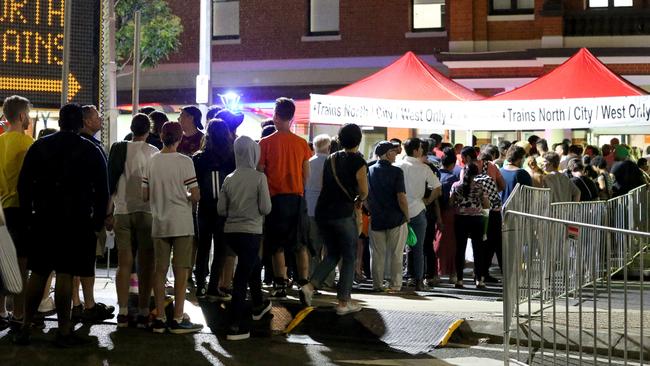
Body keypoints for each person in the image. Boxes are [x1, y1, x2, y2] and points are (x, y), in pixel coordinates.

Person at [16, 103, 109, 346]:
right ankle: (64, 329)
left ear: (60, 122)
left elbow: (24, 184)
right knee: (66, 273)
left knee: (38, 272)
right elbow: (102, 191)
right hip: (76, 220)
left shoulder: (40, 146)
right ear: (80, 123)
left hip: (44, 217)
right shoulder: (91, 150)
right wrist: (97, 222)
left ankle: (25, 325)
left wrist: (28, 215)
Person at [301, 124, 368, 315]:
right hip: (343, 213)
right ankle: (343, 302)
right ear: (359, 140)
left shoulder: (330, 159)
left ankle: (310, 287)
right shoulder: (359, 162)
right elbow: (363, 191)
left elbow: (324, 185)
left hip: (323, 211)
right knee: (349, 256)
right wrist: (359, 199)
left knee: (332, 253)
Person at [143, 121, 203, 334]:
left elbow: (145, 195)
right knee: (181, 271)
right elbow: (195, 195)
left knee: (159, 271)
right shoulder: (185, 161)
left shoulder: (151, 161)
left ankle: (159, 316)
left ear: (161, 136)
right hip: (182, 222)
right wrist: (184, 194)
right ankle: (178, 317)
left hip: (159, 221)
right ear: (179, 139)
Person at [218, 136, 272, 341]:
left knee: (253, 265)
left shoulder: (229, 178)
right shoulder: (259, 178)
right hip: (251, 232)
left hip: (231, 233)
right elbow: (266, 207)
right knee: (241, 279)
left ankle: (258, 304)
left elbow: (221, 209)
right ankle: (236, 325)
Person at [108, 113, 159, 328]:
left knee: (124, 262)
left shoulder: (119, 149)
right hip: (146, 211)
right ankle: (144, 310)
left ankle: (123, 311)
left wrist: (107, 213)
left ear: (131, 128)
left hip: (122, 210)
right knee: (146, 264)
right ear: (149, 130)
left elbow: (110, 183)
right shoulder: (154, 152)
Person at [258, 98, 312, 298]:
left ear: (275, 115)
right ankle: (304, 282)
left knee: (276, 245)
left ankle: (280, 283)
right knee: (299, 244)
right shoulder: (301, 144)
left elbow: (260, 172)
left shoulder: (265, 143)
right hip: (297, 199)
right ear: (292, 117)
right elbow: (306, 174)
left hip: (275, 199)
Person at [71, 105, 114, 323]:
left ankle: (75, 303)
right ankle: (89, 305)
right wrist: (104, 215)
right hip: (87, 213)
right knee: (86, 260)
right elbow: (102, 186)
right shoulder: (93, 148)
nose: (100, 120)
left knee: (69, 263)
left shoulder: (67, 146)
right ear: (86, 121)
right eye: (97, 117)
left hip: (67, 212)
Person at [192, 119, 236, 301]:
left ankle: (200, 285)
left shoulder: (199, 157)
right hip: (224, 208)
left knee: (203, 246)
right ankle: (213, 287)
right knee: (220, 249)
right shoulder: (231, 157)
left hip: (204, 207)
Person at [0, 96, 33, 331]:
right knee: (21, 265)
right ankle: (19, 314)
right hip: (20, 210)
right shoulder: (28, 144)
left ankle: (0, 310)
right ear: (21, 117)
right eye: (28, 115)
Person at [395, 138, 441, 291]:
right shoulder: (424, 168)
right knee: (418, 248)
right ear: (415, 150)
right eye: (421, 148)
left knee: (398, 247)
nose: (422, 150)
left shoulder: (397, 166)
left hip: (400, 211)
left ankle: (399, 280)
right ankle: (419, 281)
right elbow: (437, 188)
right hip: (419, 209)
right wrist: (428, 200)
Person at [367, 141, 408, 292]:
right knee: (396, 253)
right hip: (396, 218)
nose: (396, 153)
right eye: (393, 151)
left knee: (377, 254)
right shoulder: (397, 172)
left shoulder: (369, 170)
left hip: (376, 218)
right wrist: (407, 215)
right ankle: (395, 285)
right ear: (387, 153)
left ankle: (377, 284)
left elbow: (365, 195)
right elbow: (401, 197)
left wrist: (370, 209)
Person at [450, 163, 490, 289]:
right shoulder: (480, 186)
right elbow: (486, 204)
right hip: (477, 220)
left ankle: (460, 280)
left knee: (460, 250)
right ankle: (479, 280)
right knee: (478, 250)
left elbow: (451, 202)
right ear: (476, 174)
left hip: (460, 219)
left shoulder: (456, 185)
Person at [304, 134, 334, 286]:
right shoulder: (332, 162)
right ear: (329, 147)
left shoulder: (308, 162)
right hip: (328, 209)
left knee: (312, 247)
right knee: (329, 247)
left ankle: (311, 276)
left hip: (310, 208)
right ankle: (327, 279)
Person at [434, 148, 460, 284]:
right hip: (450, 213)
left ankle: (435, 273)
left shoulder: (436, 175)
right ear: (453, 163)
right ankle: (452, 274)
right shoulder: (453, 179)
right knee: (452, 245)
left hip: (435, 213)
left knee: (437, 243)